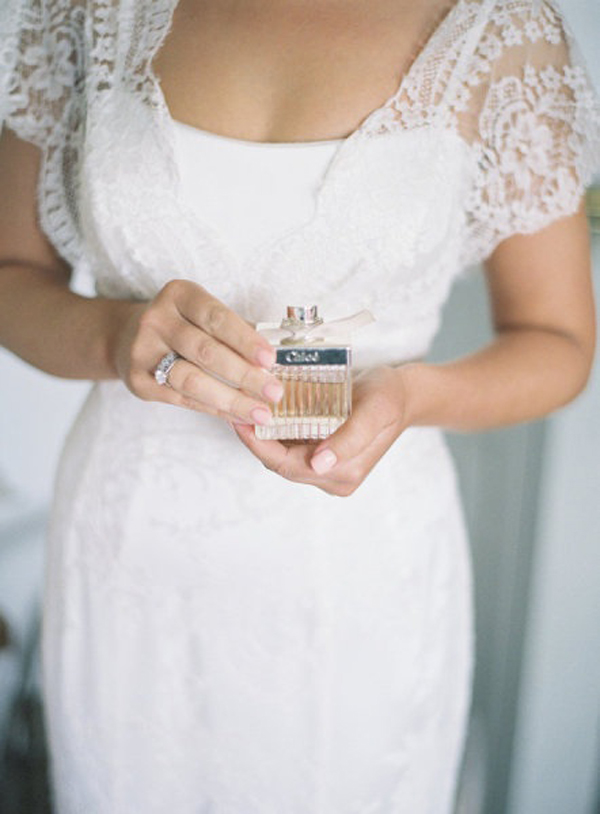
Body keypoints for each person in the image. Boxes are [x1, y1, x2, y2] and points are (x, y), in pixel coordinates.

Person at [0, 0, 599, 811]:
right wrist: (113, 336)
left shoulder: (503, 29)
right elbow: (10, 275)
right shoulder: (79, 9)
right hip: (129, 555)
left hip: (358, 567)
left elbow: (558, 341)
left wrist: (412, 394)